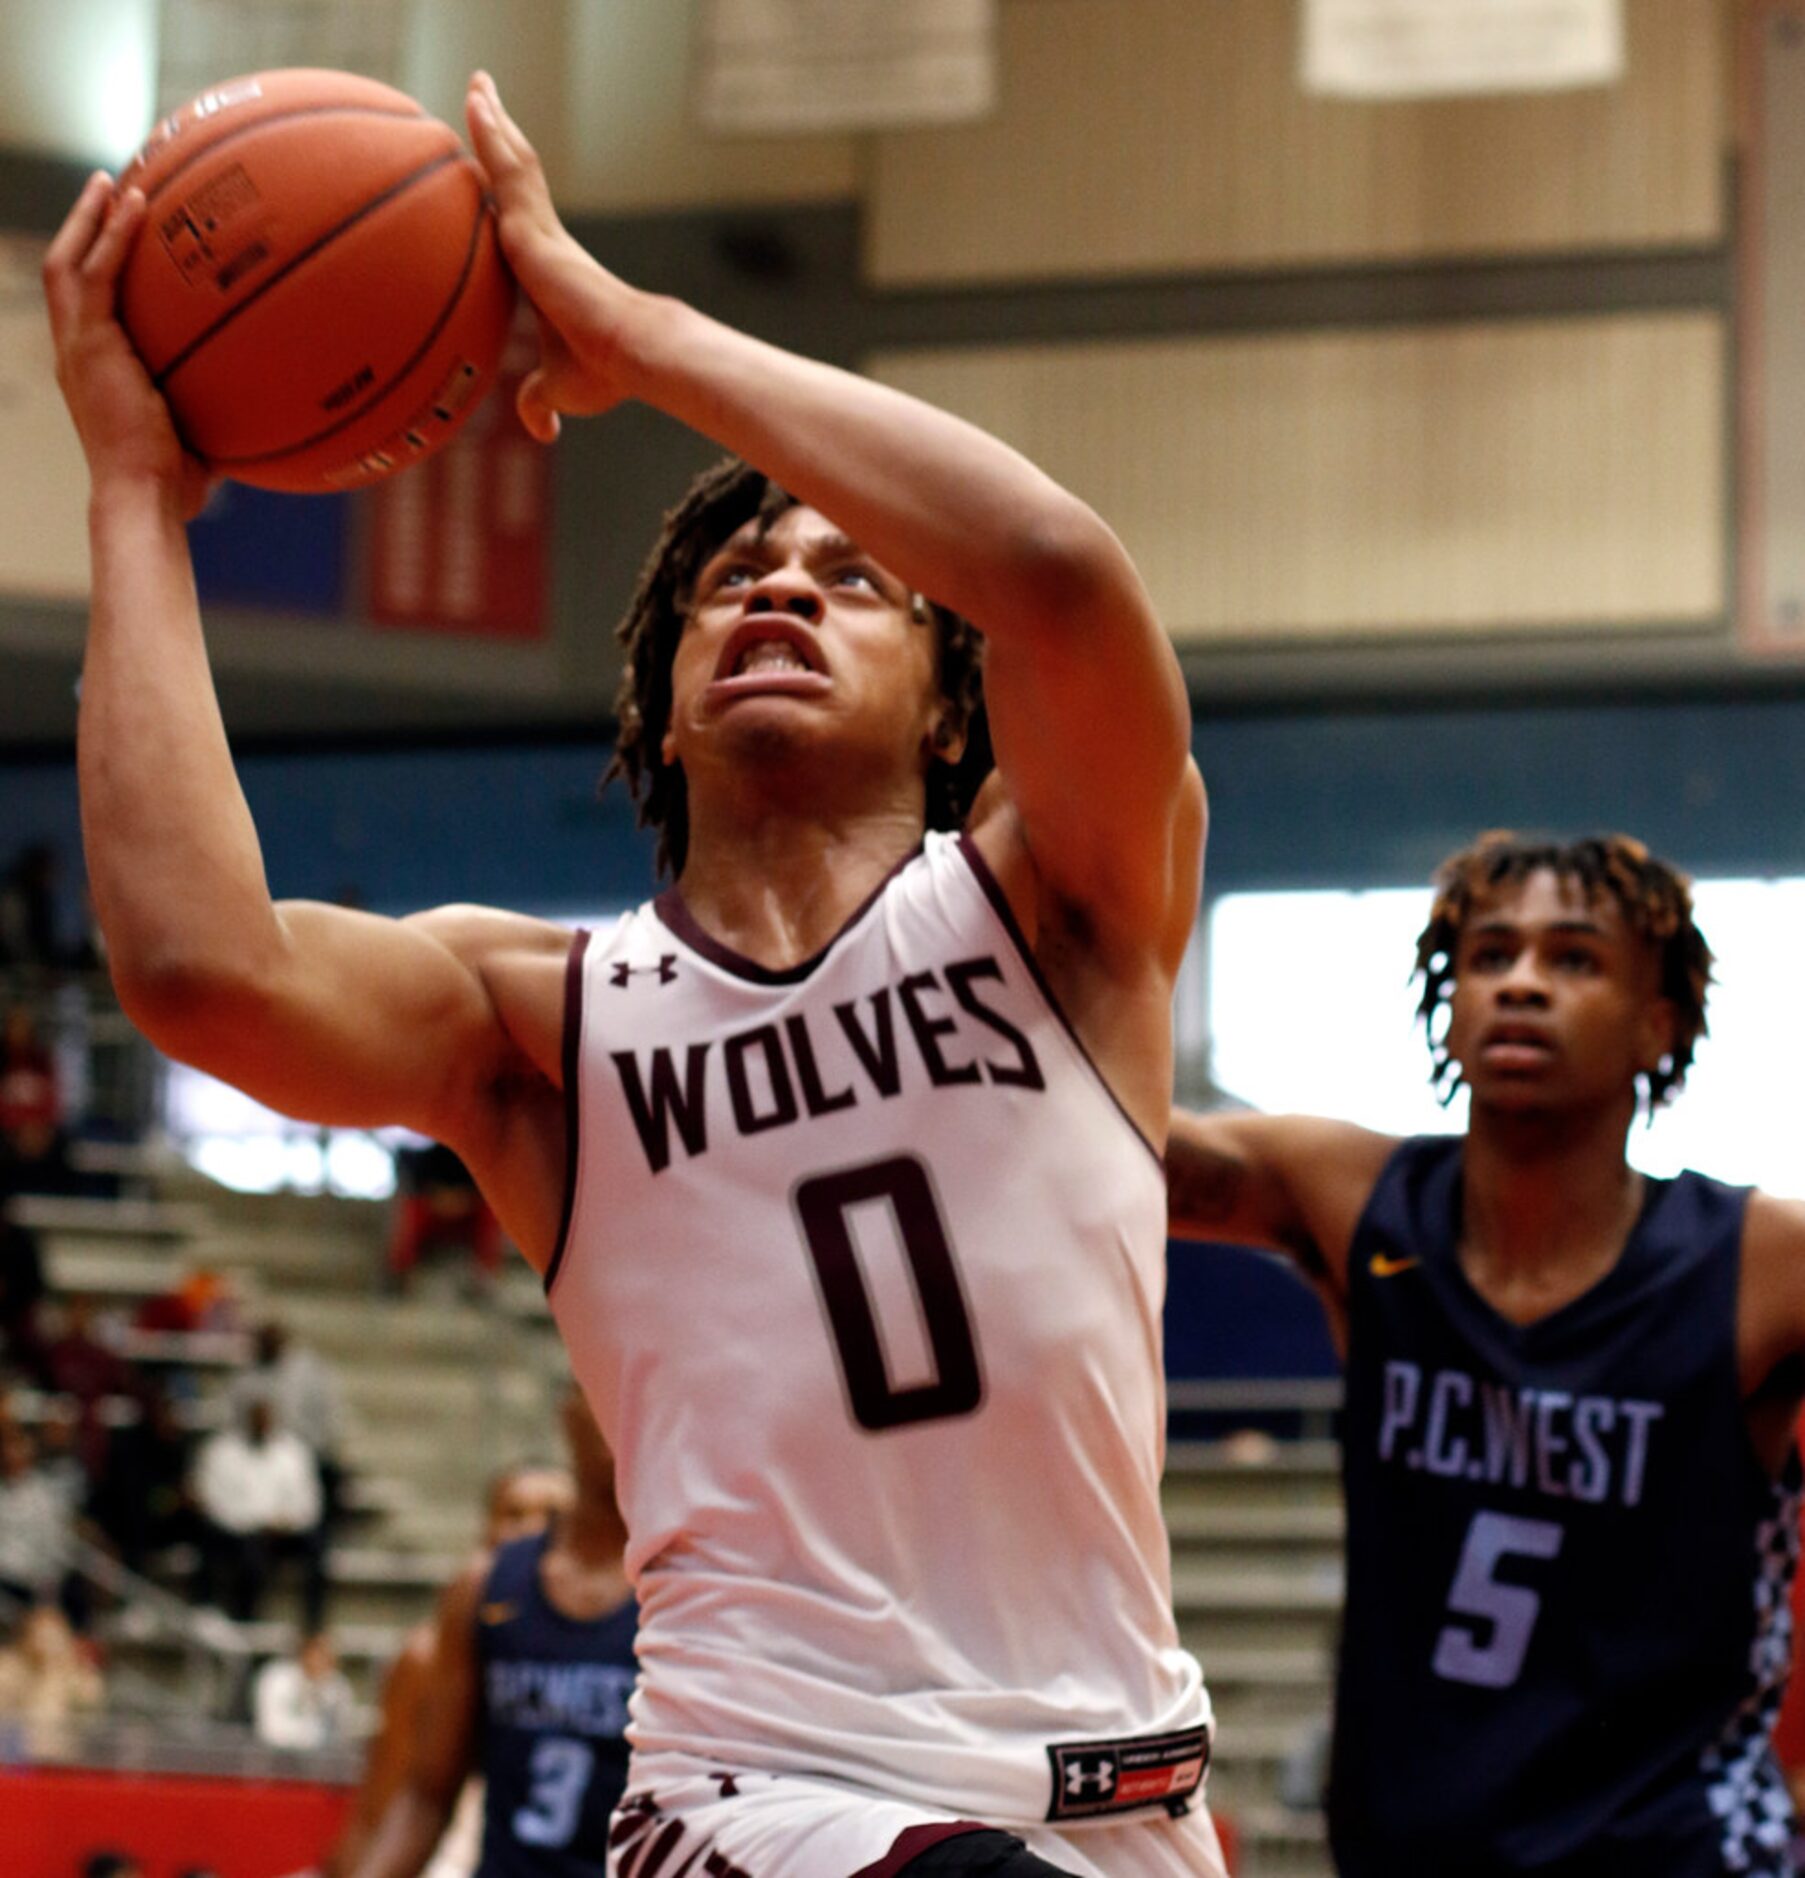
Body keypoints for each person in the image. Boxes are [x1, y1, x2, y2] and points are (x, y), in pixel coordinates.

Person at [46, 65, 1212, 1878]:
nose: (780, 589)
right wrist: (132, 486)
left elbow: (1060, 570)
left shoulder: (1061, 908)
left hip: (1121, 1800)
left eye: (856, 578)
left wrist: (640, 334)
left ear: (952, 695)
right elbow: (205, 970)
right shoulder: (547, 1020)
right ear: (661, 709)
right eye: (733, 575)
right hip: (763, 1794)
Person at [1165, 831, 1805, 1878]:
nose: (1519, 984)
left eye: (1573, 959)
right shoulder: (1356, 1202)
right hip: (1410, 1853)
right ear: (1447, 1005)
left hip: (1674, 1855)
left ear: (1657, 1024)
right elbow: (1100, 1141)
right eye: (1489, 955)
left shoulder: (1757, 1266)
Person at [349, 1391, 632, 1878]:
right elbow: (424, 1795)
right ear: (567, 1411)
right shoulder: (484, 1586)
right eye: (602, 1386)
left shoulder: (685, 1593)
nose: (623, 1408)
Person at [325, 1461, 577, 1878]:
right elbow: (378, 1813)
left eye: (551, 1516)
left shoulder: (614, 1645)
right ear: (485, 1530)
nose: (533, 1530)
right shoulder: (428, 1654)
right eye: (514, 1515)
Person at [190, 1396, 326, 1628]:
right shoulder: (223, 1451)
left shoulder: (292, 1452)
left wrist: (285, 1522)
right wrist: (252, 1524)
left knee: (317, 1544)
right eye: (257, 1418)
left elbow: (309, 1503)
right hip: (236, 1531)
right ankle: (241, 1619)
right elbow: (211, 1501)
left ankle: (313, 1623)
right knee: (243, 1550)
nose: (262, 1423)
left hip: (282, 1532)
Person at [253, 1627, 357, 1751]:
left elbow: (342, 1730)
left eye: (328, 1657)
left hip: (321, 1760)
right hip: (277, 1756)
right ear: (305, 1652)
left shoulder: (338, 1687)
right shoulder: (276, 1678)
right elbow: (270, 1729)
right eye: (318, 1653)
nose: (321, 1661)